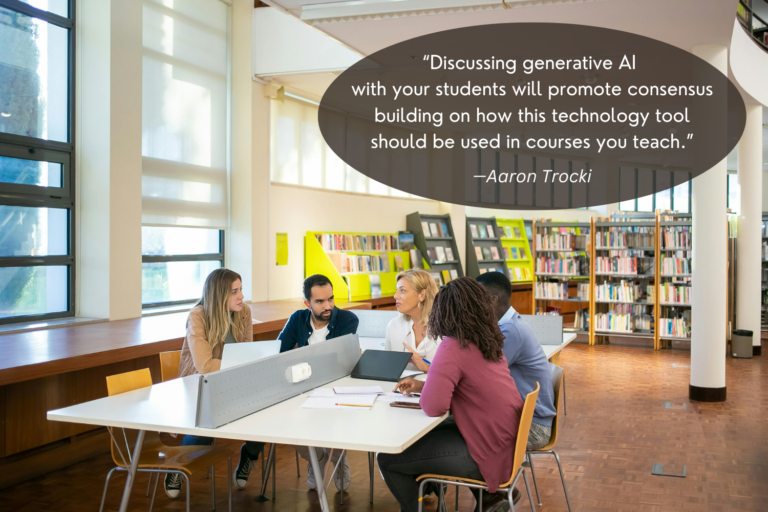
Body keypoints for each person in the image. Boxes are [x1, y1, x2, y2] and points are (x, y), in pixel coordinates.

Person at [378, 278, 524, 512]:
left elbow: (433, 407)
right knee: (428, 438)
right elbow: (467, 389)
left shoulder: (452, 346)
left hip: (483, 451)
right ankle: (488, 497)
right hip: (505, 443)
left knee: (387, 460)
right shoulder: (488, 339)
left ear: (443, 313)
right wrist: (424, 385)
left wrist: (431, 382)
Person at [172, 269, 265, 498]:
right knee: (208, 421)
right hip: (202, 384)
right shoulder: (198, 315)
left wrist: (244, 364)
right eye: (235, 291)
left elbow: (248, 353)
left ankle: (249, 455)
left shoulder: (243, 312)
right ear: (218, 294)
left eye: (241, 289)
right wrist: (239, 364)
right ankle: (176, 467)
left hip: (234, 381)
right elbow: (204, 365)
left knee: (266, 412)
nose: (241, 296)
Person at [278, 274, 359, 492]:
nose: (328, 306)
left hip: (337, 387)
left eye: (330, 299)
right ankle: (317, 457)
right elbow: (279, 353)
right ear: (307, 303)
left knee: (336, 417)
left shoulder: (348, 319)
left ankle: (339, 454)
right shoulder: (297, 318)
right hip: (302, 387)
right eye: (320, 301)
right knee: (283, 422)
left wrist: (303, 358)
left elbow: (338, 360)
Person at [476, 272, 557, 451]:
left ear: (493, 300)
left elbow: (482, 375)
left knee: (460, 436)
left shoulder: (510, 331)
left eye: (476, 298)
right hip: (521, 418)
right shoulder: (506, 324)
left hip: (533, 427)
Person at [385, 269, 441, 373]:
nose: (395, 296)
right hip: (400, 388)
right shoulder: (394, 325)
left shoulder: (444, 329)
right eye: (396, 290)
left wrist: (426, 367)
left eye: (402, 290)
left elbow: (455, 375)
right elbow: (388, 366)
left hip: (434, 388)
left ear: (422, 295)